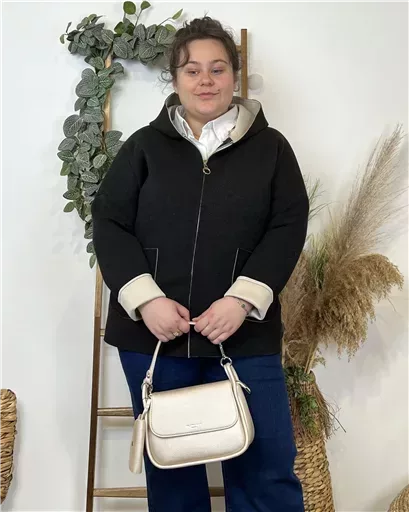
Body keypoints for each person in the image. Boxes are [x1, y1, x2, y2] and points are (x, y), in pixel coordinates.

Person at [92, 16, 309, 512]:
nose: (205, 80)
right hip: (155, 341)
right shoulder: (143, 147)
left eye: (217, 68)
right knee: (173, 479)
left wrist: (242, 301)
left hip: (245, 337)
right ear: (175, 79)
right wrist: (146, 301)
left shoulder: (272, 149)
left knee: (267, 472)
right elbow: (109, 222)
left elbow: (287, 226)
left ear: (235, 75)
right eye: (192, 70)